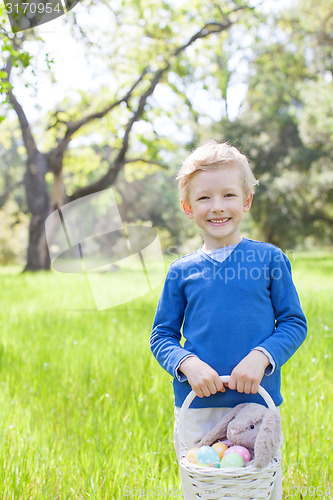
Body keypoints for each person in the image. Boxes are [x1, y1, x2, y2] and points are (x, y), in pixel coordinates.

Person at [150, 140, 307, 499]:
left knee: (256, 489)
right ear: (188, 208)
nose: (217, 207)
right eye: (204, 198)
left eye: (229, 195)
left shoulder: (269, 260)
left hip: (256, 407)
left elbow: (294, 323)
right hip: (198, 405)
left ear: (246, 200)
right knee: (207, 488)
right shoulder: (181, 272)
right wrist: (187, 364)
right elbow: (161, 335)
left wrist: (262, 356)